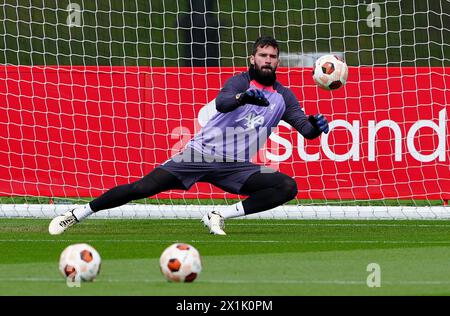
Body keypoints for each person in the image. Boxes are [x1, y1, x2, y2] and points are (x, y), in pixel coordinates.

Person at [48, 36, 329, 236]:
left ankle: (219, 215)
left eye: (272, 57)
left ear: (278, 61)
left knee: (286, 186)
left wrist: (315, 126)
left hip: (237, 167)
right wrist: (244, 97)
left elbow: (305, 130)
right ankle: (78, 213)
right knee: (142, 188)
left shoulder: (284, 96)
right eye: (262, 55)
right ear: (252, 59)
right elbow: (222, 103)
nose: (267, 61)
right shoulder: (240, 81)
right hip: (199, 154)